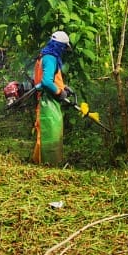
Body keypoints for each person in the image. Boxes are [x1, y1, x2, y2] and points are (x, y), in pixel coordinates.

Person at [31, 30, 74, 165]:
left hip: (47, 99)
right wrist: (59, 93)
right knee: (49, 132)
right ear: (60, 46)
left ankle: (40, 161)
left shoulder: (45, 55)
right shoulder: (51, 58)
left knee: (49, 131)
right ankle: (47, 163)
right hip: (47, 101)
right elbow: (47, 82)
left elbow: (52, 78)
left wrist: (63, 87)